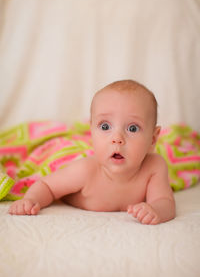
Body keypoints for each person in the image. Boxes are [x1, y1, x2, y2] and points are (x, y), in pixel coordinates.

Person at [9, 79, 176, 224]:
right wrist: (31, 200)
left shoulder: (154, 167)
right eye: (105, 126)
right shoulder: (84, 171)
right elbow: (46, 186)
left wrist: (155, 211)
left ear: (153, 139)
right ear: (91, 130)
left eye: (132, 128)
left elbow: (164, 202)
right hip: (72, 157)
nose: (117, 138)